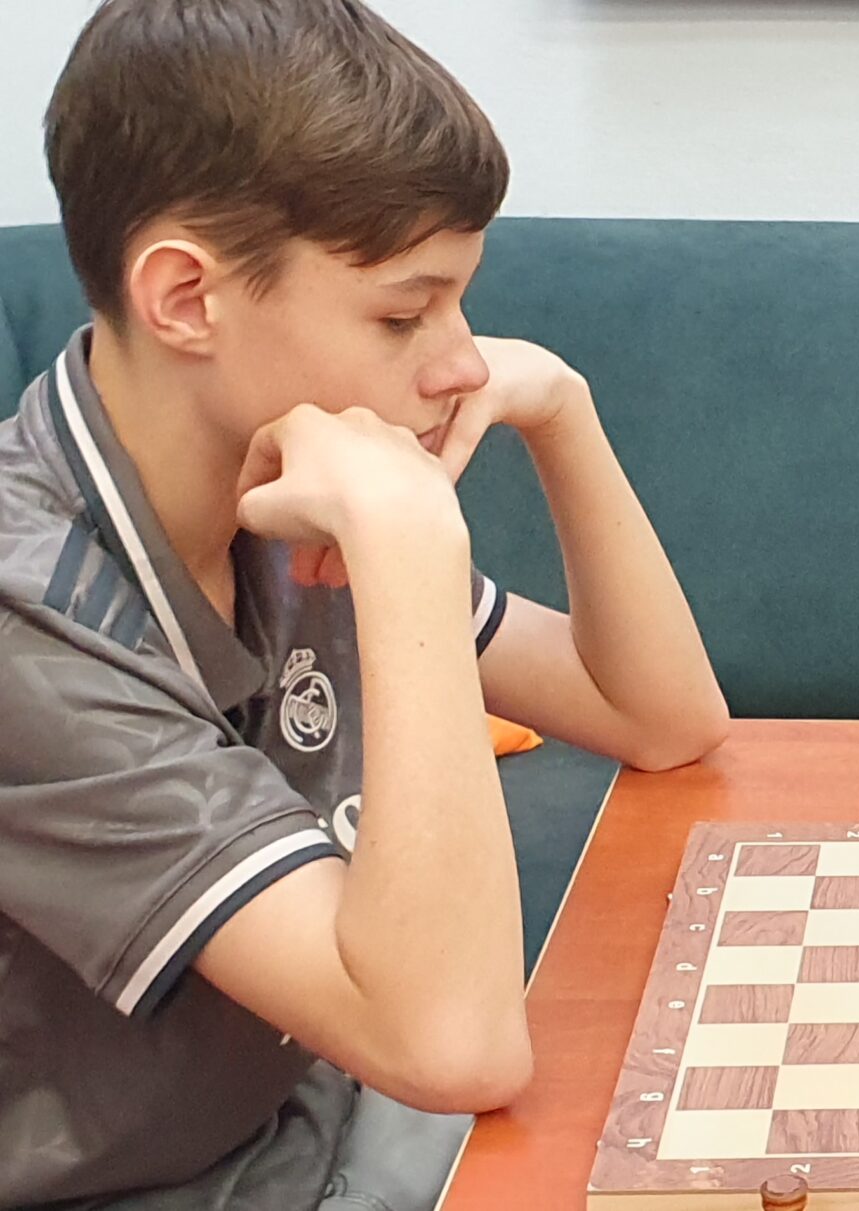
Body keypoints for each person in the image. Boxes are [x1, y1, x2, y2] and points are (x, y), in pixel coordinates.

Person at [0, 1, 730, 1207]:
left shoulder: (280, 486)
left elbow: (659, 717)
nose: (461, 360)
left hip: (324, 1119)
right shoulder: (30, 616)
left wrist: (562, 410)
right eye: (403, 312)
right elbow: (454, 1045)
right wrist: (409, 544)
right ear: (185, 298)